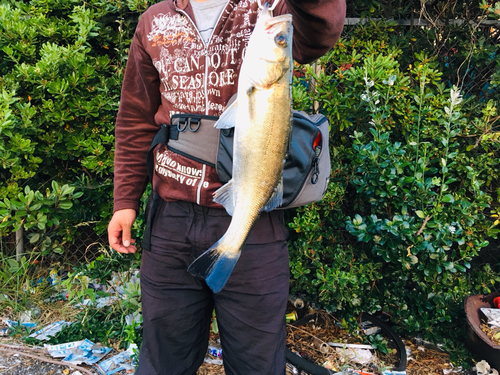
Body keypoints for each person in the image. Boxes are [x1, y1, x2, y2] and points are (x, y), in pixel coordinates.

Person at [107, 0, 346, 373]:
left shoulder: (270, 8)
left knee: (257, 363)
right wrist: (126, 200)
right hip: (170, 222)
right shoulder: (154, 21)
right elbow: (135, 118)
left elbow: (319, 32)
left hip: (254, 223)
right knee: (162, 359)